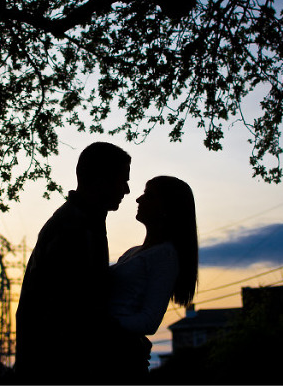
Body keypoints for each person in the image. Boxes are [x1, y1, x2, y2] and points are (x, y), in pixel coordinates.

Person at [14, 141, 132, 385]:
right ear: (101, 180)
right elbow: (73, 310)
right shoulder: (75, 228)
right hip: (59, 371)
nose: (127, 190)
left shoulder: (79, 221)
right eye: (123, 179)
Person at [108, 177, 198, 385]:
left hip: (122, 364)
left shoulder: (165, 256)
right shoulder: (133, 252)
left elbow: (149, 320)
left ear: (166, 207)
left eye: (149, 195)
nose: (139, 199)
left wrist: (104, 325)